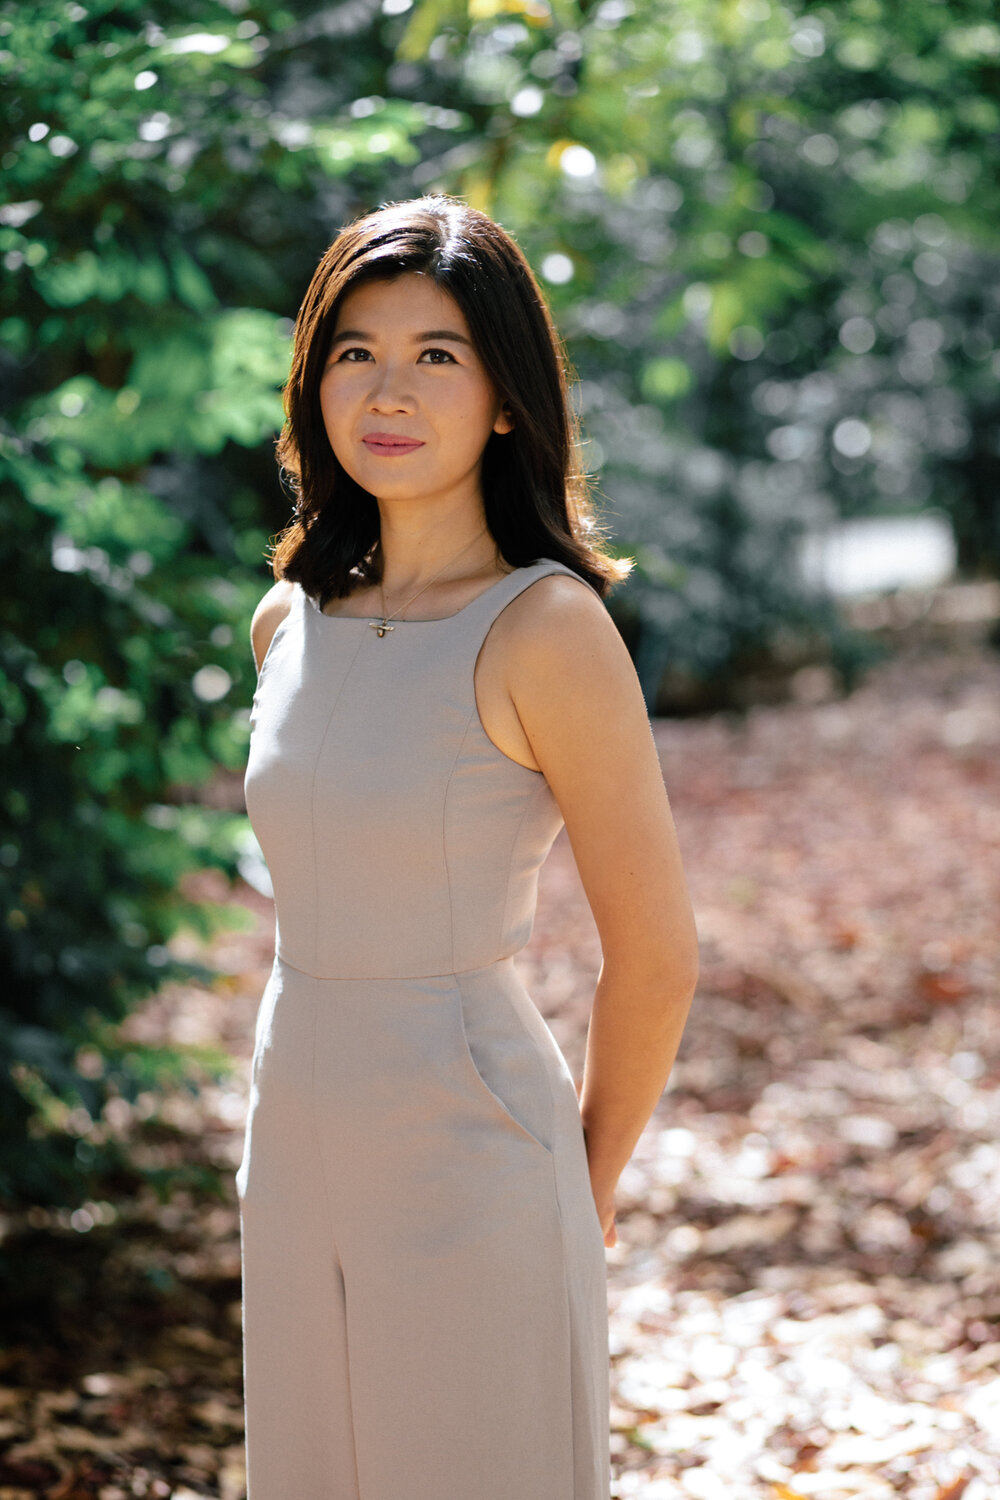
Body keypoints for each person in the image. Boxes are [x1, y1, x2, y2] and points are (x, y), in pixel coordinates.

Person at [236, 192, 699, 1500]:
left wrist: (582, 1184)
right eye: (354, 351)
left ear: (505, 395)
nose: (389, 388)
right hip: (294, 1131)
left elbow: (658, 955)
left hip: (475, 1141)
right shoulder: (286, 620)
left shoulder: (547, 628)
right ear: (314, 384)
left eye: (437, 354)